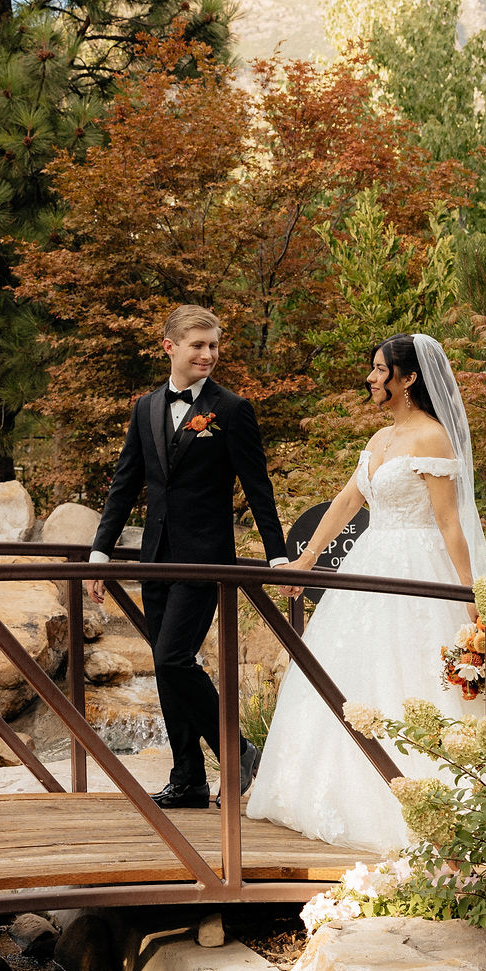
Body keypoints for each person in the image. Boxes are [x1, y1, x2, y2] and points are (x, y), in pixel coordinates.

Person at [247, 332, 486, 855]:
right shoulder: (381, 438)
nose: (371, 377)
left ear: (409, 378)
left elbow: (450, 522)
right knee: (348, 670)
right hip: (367, 567)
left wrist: (470, 590)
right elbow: (346, 501)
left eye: (381, 370)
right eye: (374, 369)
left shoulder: (432, 439)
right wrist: (306, 561)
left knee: (416, 673)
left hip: (418, 571)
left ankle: (426, 798)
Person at [89, 306, 288, 808]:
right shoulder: (145, 408)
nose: (208, 354)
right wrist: (99, 552)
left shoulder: (232, 409)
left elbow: (257, 487)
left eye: (213, 345)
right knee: (166, 668)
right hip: (154, 558)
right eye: (198, 344)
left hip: (204, 559)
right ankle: (188, 780)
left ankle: (238, 750)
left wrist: (278, 558)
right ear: (170, 346)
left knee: (173, 657)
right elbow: (125, 483)